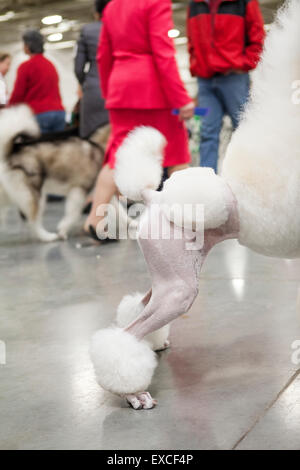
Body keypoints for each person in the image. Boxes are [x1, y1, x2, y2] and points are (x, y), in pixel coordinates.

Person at [84, 0, 194, 239]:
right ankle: (184, 221)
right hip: (155, 89)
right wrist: (181, 98)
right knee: (176, 153)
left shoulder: (112, 6)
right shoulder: (155, 3)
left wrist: (110, 91)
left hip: (121, 87)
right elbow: (163, 52)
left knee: (117, 155)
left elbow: (103, 56)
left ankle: (95, 219)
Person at [187, 0, 265, 173]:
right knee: (207, 133)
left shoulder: (245, 2)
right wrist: (196, 65)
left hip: (234, 78)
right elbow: (191, 39)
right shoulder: (195, 3)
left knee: (244, 130)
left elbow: (258, 38)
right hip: (205, 79)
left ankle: (251, 178)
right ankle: (208, 184)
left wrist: (241, 64)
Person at [9, 30, 65, 133]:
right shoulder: (50, 64)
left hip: (39, 114)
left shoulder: (25, 66)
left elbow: (18, 94)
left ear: (27, 46)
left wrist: (8, 109)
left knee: (39, 148)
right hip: (59, 113)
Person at [75, 0, 109, 139]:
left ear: (96, 13)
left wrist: (84, 83)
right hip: (119, 89)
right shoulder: (123, 28)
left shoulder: (87, 31)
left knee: (90, 140)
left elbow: (78, 67)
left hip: (94, 89)